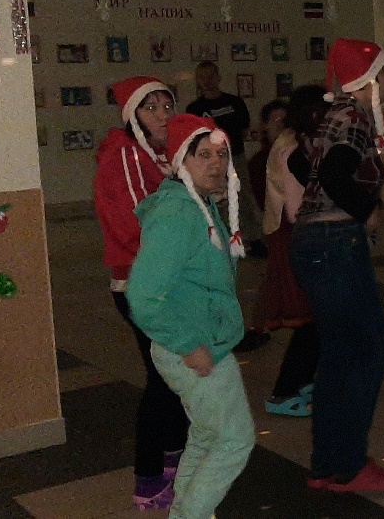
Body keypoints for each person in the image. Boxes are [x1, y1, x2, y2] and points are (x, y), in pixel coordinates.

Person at [126, 114, 255, 519]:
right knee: (235, 439)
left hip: (198, 340)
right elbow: (143, 296)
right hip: (193, 346)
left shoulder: (196, 204)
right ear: (182, 159)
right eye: (204, 155)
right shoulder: (179, 214)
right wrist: (188, 345)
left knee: (205, 435)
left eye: (222, 154)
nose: (216, 163)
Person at [289, 38, 384, 492]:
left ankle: (328, 464)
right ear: (368, 80)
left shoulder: (332, 113)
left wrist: (321, 201)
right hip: (335, 244)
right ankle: (350, 465)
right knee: (369, 349)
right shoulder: (354, 116)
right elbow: (335, 173)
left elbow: (300, 160)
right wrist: (365, 210)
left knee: (339, 355)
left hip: (314, 242)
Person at [93, 76, 188, 509]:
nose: (163, 115)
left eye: (167, 105)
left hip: (164, 278)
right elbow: (138, 222)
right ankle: (149, 478)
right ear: (132, 114)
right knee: (163, 379)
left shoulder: (160, 153)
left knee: (173, 375)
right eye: (151, 108)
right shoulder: (125, 154)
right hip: (143, 282)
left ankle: (172, 457)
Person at [185, 61, 269, 351]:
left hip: (236, 156)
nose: (207, 81)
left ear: (219, 77)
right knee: (218, 203)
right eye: (202, 78)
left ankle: (253, 239)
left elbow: (243, 129)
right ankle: (222, 241)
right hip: (210, 162)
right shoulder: (195, 108)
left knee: (244, 199)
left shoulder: (234, 103)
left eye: (211, 76)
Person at [259, 87, 327, 417]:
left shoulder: (296, 142)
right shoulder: (291, 149)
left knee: (315, 320)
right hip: (296, 238)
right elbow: (297, 208)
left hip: (296, 236)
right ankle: (284, 391)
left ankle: (300, 382)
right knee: (310, 320)